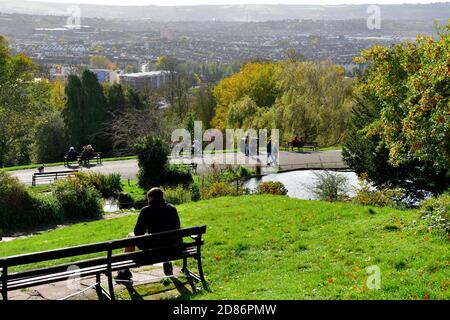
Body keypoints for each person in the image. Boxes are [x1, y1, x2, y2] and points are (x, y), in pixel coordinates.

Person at [115, 187, 182, 281]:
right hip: (172, 248)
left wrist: (147, 229)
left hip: (153, 250)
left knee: (130, 237)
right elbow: (177, 227)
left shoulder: (146, 211)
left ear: (150, 198)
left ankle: (124, 271)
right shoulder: (172, 209)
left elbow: (138, 232)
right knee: (165, 238)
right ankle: (167, 262)